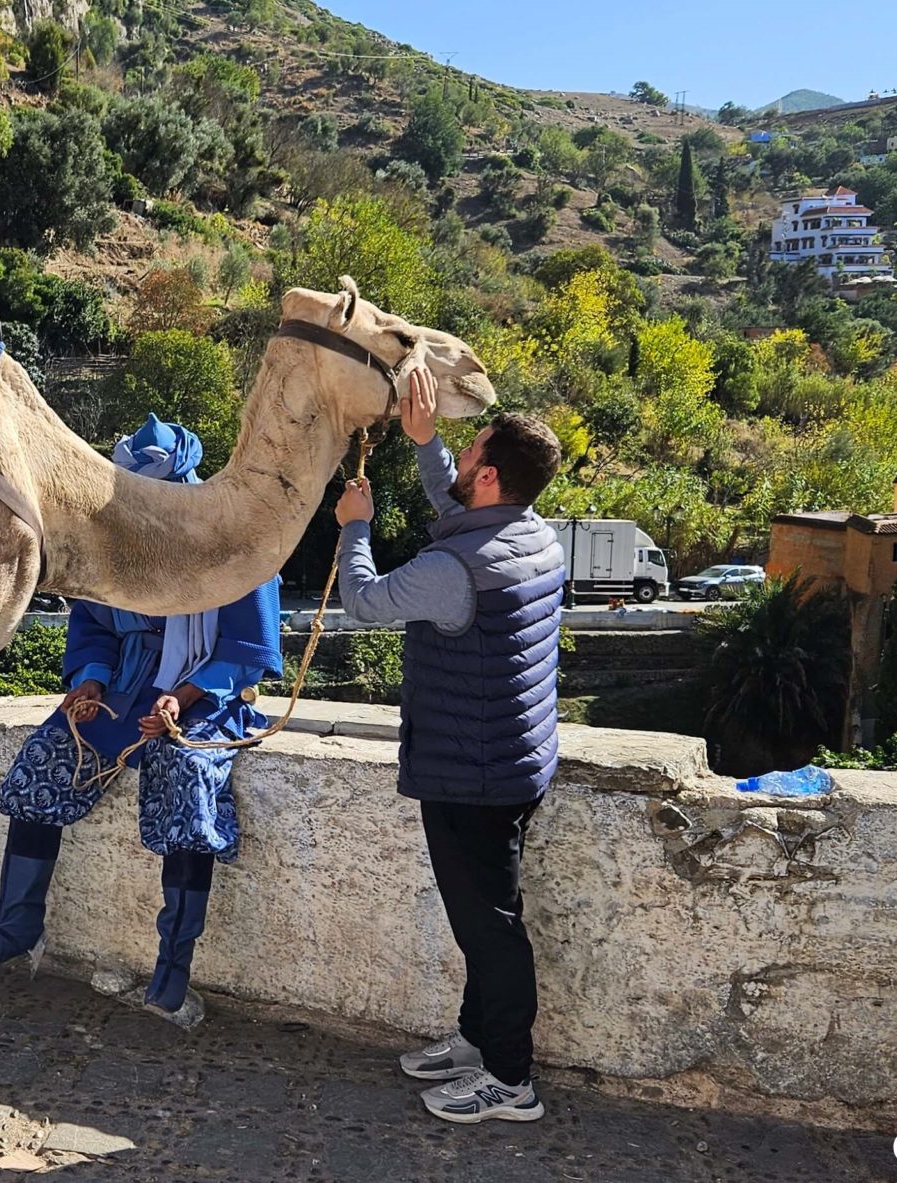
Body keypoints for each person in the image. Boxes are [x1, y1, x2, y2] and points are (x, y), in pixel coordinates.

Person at [0, 416, 283, 1029]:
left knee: (187, 787)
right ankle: (17, 927)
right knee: (41, 765)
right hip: (122, 694)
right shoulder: (117, 548)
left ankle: (172, 972)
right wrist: (90, 682)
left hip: (202, 698)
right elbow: (94, 629)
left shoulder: (235, 549)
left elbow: (248, 652)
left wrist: (181, 698)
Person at [334, 365, 566, 1125]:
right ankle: (476, 1037)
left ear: (491, 474)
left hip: (470, 774)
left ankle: (511, 1079)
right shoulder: (532, 536)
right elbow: (459, 508)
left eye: (469, 453)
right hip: (517, 758)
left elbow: (365, 603)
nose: (460, 460)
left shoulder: (450, 569)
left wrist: (354, 526)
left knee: (490, 930)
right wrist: (427, 443)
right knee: (486, 915)